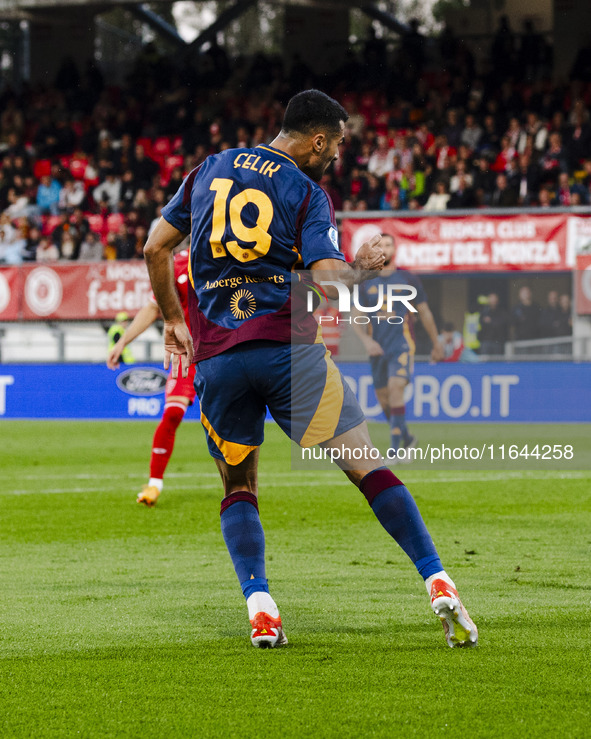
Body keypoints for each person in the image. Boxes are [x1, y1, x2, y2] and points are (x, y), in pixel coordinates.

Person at [142, 90, 477, 649]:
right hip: (287, 350)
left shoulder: (208, 169)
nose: (339, 155)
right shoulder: (306, 191)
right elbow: (327, 281)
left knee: (239, 483)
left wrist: (175, 321)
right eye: (339, 144)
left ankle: (261, 606)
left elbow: (156, 247)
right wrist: (363, 270)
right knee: (366, 465)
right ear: (318, 139)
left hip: (219, 357)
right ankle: (436, 577)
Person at [107, 249, 195, 506]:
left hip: (223, 352)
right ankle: (154, 483)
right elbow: (152, 307)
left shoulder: (230, 255)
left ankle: (239, 487)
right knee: (172, 413)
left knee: (227, 421)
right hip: (186, 355)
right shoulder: (178, 263)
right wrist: (122, 342)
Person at [354, 233, 444, 457]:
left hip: (402, 346)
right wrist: (366, 340)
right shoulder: (366, 280)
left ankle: (395, 452)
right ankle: (407, 437)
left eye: (388, 245)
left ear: (395, 249)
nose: (384, 248)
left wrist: (436, 343)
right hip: (377, 349)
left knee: (395, 388)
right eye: (381, 245)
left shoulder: (408, 279)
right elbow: (356, 315)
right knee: (385, 401)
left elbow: (424, 312)